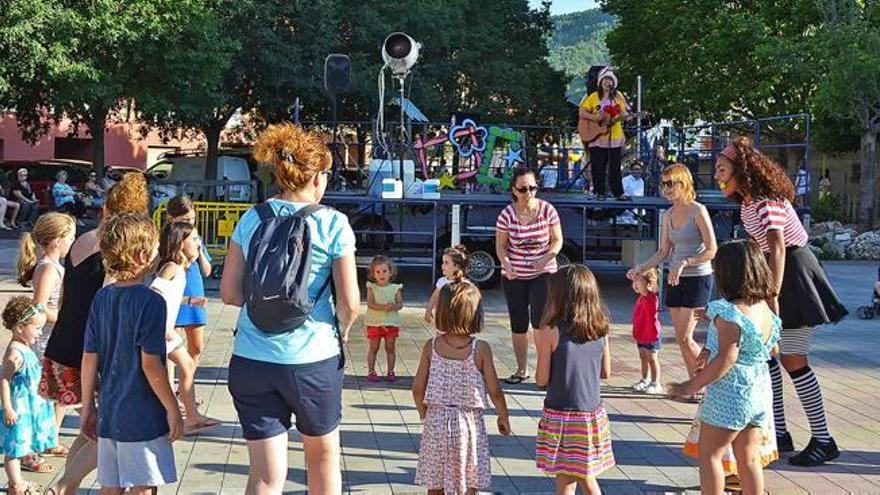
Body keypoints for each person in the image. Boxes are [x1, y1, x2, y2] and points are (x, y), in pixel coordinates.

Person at [220, 123, 360, 494]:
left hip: (251, 358)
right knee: (322, 459)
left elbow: (230, 294)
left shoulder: (252, 218)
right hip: (313, 359)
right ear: (316, 176)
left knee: (265, 477)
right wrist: (342, 328)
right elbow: (350, 302)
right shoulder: (333, 223)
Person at [715, 136, 847, 466]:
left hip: (795, 275)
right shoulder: (747, 202)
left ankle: (823, 438)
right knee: (770, 358)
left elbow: (778, 244)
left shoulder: (763, 199)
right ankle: (779, 432)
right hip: (777, 275)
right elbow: (762, 247)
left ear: (740, 171)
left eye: (722, 168)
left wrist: (771, 295)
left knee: (793, 359)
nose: (717, 173)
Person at [41, 172, 151, 495]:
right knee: (106, 427)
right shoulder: (115, 249)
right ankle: (62, 487)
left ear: (106, 207)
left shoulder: (82, 240)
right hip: (91, 351)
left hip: (64, 341)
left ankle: (65, 488)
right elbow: (109, 304)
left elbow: (66, 297)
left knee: (89, 428)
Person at [668, 239, 781, 495]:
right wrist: (712, 346)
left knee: (711, 456)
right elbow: (770, 349)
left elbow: (727, 359)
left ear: (726, 275)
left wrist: (690, 386)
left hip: (731, 394)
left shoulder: (728, 313)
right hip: (760, 391)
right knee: (749, 458)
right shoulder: (765, 309)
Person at [80, 213, 181, 492]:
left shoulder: (101, 298)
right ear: (141, 256)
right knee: (144, 485)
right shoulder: (151, 302)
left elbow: (89, 357)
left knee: (110, 485)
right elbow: (151, 364)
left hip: (110, 411)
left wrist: (88, 407)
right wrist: (173, 408)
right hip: (143, 413)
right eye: (156, 248)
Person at [412, 282, 511, 494]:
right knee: (468, 480)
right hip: (469, 423)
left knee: (435, 482)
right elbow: (494, 390)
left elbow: (417, 388)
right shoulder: (480, 349)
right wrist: (503, 416)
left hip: (436, 421)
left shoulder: (432, 346)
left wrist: (423, 411)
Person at [627, 164, 718, 391]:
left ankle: (711, 383)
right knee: (681, 339)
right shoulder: (667, 214)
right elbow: (663, 252)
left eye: (670, 183)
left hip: (697, 277)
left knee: (687, 337)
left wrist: (686, 262)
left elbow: (712, 249)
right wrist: (640, 268)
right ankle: (696, 388)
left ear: (683, 183)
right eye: (663, 184)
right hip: (675, 278)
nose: (665, 189)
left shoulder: (698, 211)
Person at [534, 265, 614, 495]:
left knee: (574, 476)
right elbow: (605, 372)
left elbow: (541, 379)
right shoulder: (601, 328)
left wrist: (541, 349)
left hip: (561, 414)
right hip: (591, 413)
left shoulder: (550, 331)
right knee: (577, 475)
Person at [151, 221, 221, 435]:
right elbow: (154, 293)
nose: (197, 244)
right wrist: (165, 327)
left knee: (185, 366)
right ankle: (188, 417)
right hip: (162, 329)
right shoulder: (171, 267)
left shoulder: (180, 267)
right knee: (186, 365)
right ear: (181, 243)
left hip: (164, 328)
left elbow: (168, 295)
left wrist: (188, 300)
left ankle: (188, 416)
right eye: (193, 240)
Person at [495, 168, 563, 384]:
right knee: (518, 322)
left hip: (543, 272)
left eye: (532, 188)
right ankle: (521, 369)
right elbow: (500, 246)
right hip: (514, 275)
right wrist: (506, 263)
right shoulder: (507, 214)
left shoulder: (547, 210)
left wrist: (546, 258)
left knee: (541, 321)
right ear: (514, 190)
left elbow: (557, 240)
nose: (528, 193)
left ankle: (545, 370)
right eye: (523, 189)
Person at [16, 211, 76, 447]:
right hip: (48, 337)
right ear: (57, 240)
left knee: (63, 392)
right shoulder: (48, 268)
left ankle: (51, 436)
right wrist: (65, 318)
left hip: (56, 334)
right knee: (56, 390)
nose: (72, 242)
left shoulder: (54, 266)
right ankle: (45, 439)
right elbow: (39, 307)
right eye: (70, 237)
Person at [0, 297, 58, 494]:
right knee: (14, 449)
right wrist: (7, 406)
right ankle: (15, 485)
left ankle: (18, 481)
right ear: (19, 328)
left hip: (29, 407)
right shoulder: (14, 353)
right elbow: (4, 380)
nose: (40, 333)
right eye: (36, 328)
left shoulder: (25, 347)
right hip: (19, 410)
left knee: (23, 444)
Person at [165, 195, 211, 373]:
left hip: (194, 286)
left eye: (192, 218)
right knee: (170, 345)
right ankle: (171, 386)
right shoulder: (164, 239)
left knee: (196, 346)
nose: (190, 223)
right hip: (174, 289)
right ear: (171, 218)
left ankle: (187, 384)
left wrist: (198, 250)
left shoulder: (194, 237)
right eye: (185, 219)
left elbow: (207, 271)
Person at [579, 66, 631, 200]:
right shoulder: (593, 97)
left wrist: (628, 116)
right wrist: (595, 118)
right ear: (600, 82)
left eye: (610, 80)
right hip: (597, 136)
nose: (608, 82)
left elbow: (624, 112)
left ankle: (618, 193)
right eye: (605, 80)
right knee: (598, 166)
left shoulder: (617, 96)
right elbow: (582, 112)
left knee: (615, 166)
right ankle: (599, 192)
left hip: (614, 136)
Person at [364, 255, 403, 382]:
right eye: (378, 272)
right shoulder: (371, 287)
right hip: (375, 323)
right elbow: (370, 304)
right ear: (373, 274)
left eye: (385, 271)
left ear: (390, 272)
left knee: (390, 348)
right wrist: (383, 307)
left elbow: (400, 304)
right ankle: (371, 370)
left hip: (391, 323)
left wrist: (393, 306)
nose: (381, 274)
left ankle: (391, 371)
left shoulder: (395, 288)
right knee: (373, 348)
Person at [631, 267, 663, 394]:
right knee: (643, 358)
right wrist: (635, 276)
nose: (636, 285)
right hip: (642, 333)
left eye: (639, 282)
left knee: (652, 358)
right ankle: (645, 379)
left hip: (651, 334)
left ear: (649, 284)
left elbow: (646, 291)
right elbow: (636, 285)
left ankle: (656, 382)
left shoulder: (651, 298)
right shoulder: (641, 297)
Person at [424, 245, 469, 323]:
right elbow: (434, 298)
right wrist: (428, 311)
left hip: (456, 318)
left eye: (446, 263)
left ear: (457, 266)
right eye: (443, 262)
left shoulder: (463, 284)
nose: (442, 265)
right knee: (441, 334)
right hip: (441, 316)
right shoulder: (441, 281)